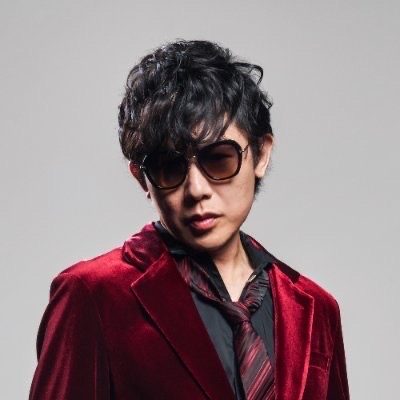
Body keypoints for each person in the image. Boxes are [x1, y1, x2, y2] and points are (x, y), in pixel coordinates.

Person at [29, 40, 350, 400]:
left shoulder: (316, 307)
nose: (196, 190)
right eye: (169, 167)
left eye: (218, 159)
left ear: (261, 154)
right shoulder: (92, 294)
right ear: (142, 179)